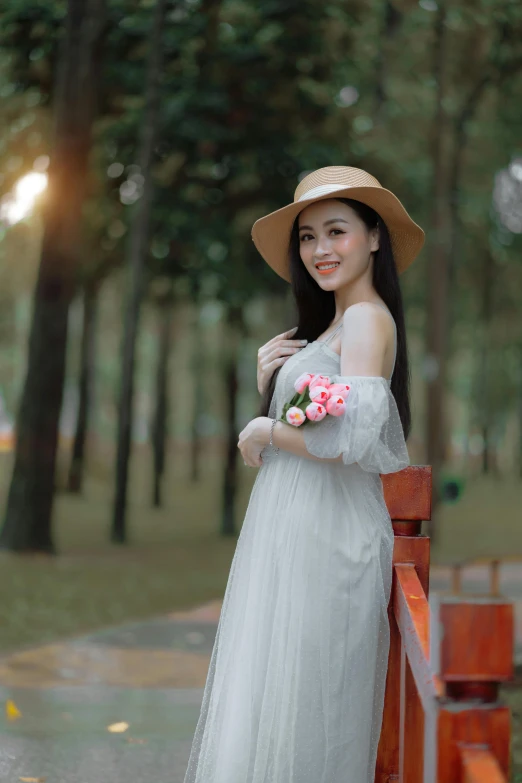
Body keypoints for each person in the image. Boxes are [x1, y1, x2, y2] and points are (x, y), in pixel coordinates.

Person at [182, 165, 425, 783]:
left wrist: (266, 429)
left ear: (374, 238)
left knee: (308, 702)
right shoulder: (333, 328)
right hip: (297, 525)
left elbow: (354, 440)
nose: (320, 249)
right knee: (275, 694)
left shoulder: (368, 320)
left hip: (330, 534)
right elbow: (323, 421)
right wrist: (272, 380)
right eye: (308, 236)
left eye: (337, 231)